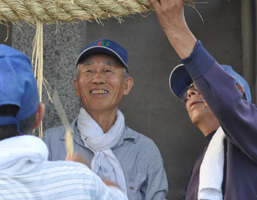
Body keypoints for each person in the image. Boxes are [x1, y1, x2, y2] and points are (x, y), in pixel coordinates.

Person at [0, 44, 127, 200]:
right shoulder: (82, 182)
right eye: (90, 70)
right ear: (39, 115)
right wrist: (82, 171)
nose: (98, 79)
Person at [146, 0, 257, 199]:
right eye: (187, 91)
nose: (190, 93)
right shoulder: (199, 170)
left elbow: (228, 105)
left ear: (237, 89)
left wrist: (177, 29)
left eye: (198, 84)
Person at [43, 39, 168, 199]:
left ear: (126, 85)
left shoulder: (144, 151)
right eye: (89, 71)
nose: (97, 79)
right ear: (76, 86)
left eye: (108, 70)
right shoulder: (51, 143)